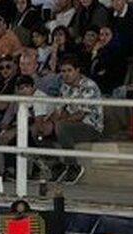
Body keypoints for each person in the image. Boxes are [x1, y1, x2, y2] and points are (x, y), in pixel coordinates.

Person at [40, 54, 103, 184]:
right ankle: (56, 166)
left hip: (90, 127)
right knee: (40, 129)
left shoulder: (89, 86)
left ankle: (73, 167)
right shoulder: (64, 86)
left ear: (77, 70)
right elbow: (59, 110)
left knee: (61, 127)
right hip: (70, 124)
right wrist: (49, 122)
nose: (66, 74)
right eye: (63, 71)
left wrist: (58, 123)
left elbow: (81, 115)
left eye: (69, 70)